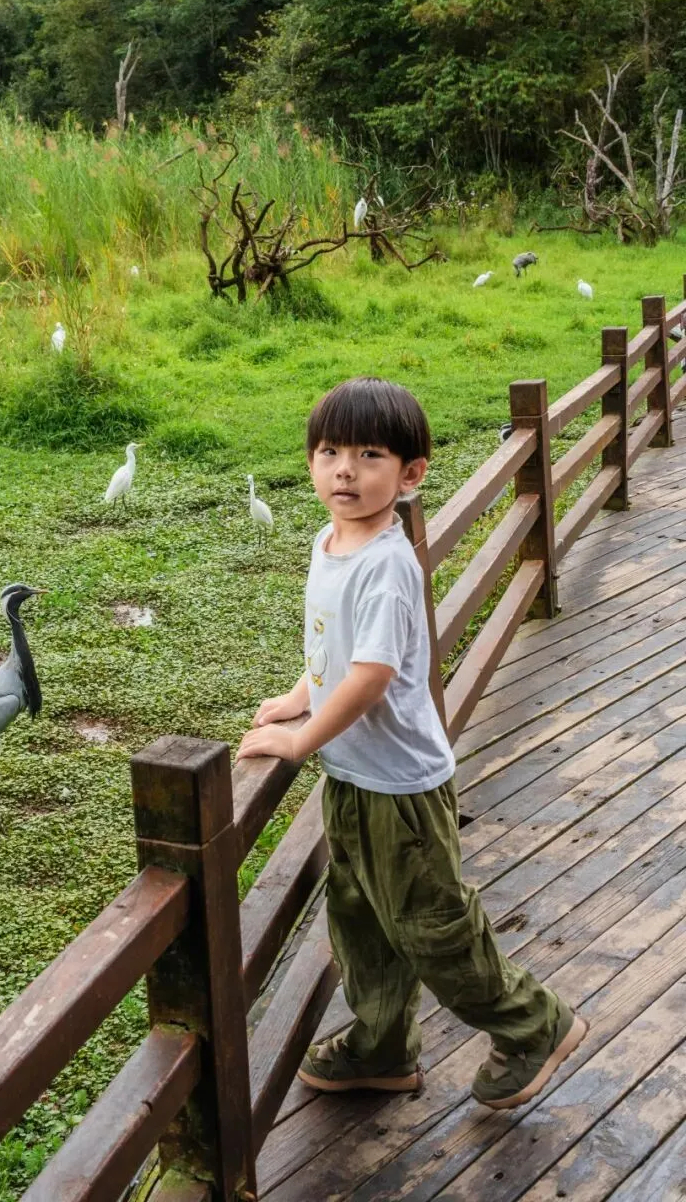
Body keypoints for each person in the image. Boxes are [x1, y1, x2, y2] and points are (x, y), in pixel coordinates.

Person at [236, 377, 587, 1109]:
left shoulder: (387, 564)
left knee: (433, 929)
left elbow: (371, 677)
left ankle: (535, 1025)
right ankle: (382, 1046)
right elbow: (333, 647)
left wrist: (299, 741)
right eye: (329, 452)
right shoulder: (330, 542)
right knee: (361, 922)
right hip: (353, 778)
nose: (345, 471)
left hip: (400, 789)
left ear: (410, 474)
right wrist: (300, 697)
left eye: (369, 455)